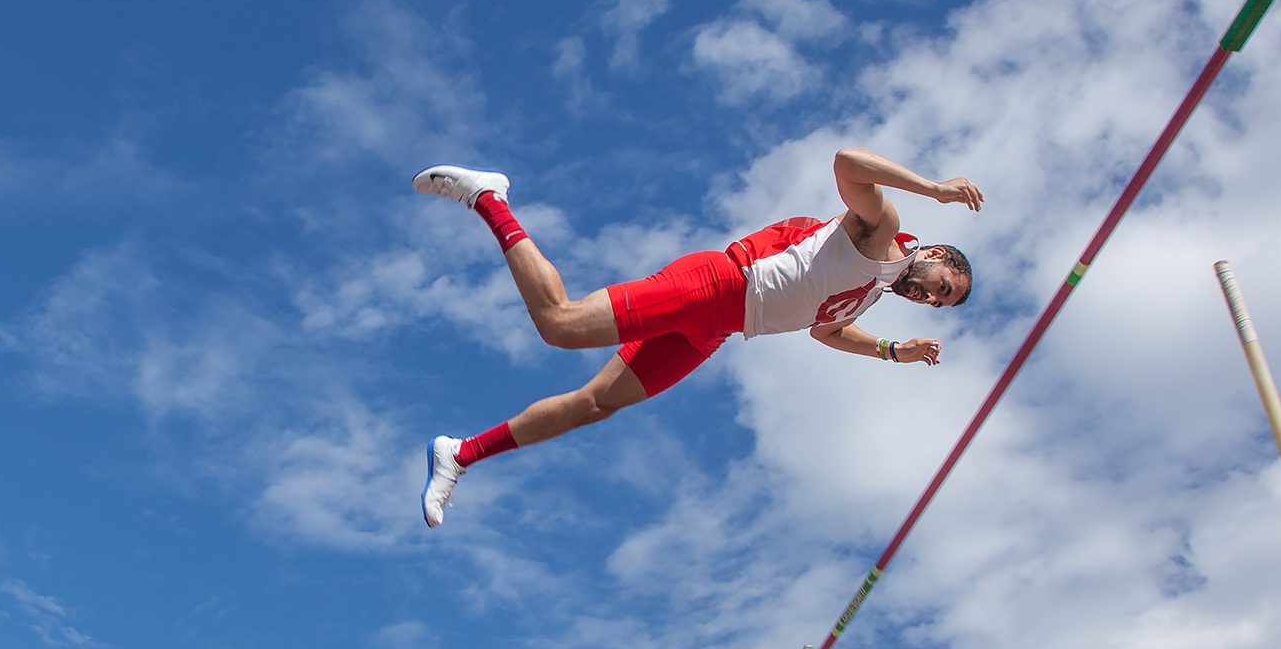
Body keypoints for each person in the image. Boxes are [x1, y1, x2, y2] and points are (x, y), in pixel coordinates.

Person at [413, 148, 984, 528]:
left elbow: (827, 332)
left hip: (718, 328)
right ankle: (489, 198)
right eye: (942, 286)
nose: (932, 300)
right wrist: (934, 188)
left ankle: (461, 453)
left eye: (941, 304)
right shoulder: (880, 232)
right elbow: (848, 164)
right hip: (717, 286)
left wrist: (889, 349)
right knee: (559, 324)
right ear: (933, 255)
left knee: (595, 404)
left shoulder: (872, 290)